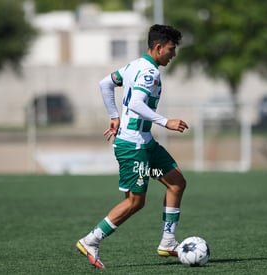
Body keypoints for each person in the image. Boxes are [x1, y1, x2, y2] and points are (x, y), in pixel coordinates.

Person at [75, 24, 188, 269]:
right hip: (133, 147)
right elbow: (136, 103)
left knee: (177, 182)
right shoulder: (149, 73)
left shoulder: (132, 66)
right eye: (171, 49)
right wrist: (165, 121)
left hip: (145, 143)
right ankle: (90, 240)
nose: (173, 55)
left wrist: (114, 115)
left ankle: (168, 242)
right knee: (135, 201)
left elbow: (105, 83)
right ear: (158, 47)